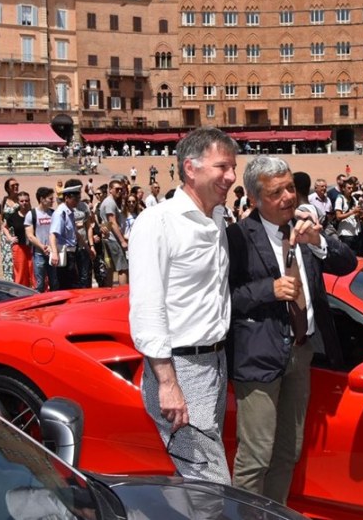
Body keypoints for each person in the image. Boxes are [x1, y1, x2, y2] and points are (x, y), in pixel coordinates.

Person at [226, 156, 356, 504]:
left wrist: (318, 241)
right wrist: (267, 290)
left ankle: (274, 513)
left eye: (291, 188)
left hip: (302, 350)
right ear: (254, 199)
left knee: (289, 451)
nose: (288, 197)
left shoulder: (305, 223)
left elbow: (347, 263)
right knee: (256, 456)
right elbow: (222, 298)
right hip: (259, 356)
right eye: (275, 192)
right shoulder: (237, 237)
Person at [129, 127, 238, 485]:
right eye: (222, 167)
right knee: (213, 485)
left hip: (215, 363)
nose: (232, 176)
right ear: (190, 168)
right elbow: (147, 306)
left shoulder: (217, 219)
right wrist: (167, 383)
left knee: (200, 483)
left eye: (233, 167)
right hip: (181, 368)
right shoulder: (157, 222)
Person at [48, 181, 83, 290]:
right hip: (64, 253)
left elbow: (74, 233)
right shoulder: (60, 213)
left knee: (72, 283)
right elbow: (53, 234)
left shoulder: (69, 212)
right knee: (65, 284)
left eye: (78, 198)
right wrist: (54, 253)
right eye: (75, 199)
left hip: (71, 252)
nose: (77, 201)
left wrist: (87, 247)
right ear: (67, 198)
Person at [24, 187, 57, 292]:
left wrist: (52, 248)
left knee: (55, 282)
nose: (53, 201)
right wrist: (42, 246)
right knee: (39, 283)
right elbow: (30, 235)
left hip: (52, 252)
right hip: (39, 253)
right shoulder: (31, 214)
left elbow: (57, 233)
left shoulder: (54, 213)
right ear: (42, 199)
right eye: (50, 198)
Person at [99, 179, 129, 286]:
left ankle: (110, 293)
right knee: (122, 268)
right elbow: (112, 221)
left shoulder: (110, 202)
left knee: (110, 268)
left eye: (121, 189)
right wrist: (122, 241)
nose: (119, 191)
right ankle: (123, 294)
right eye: (117, 189)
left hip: (109, 239)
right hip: (113, 239)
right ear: (110, 190)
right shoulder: (110, 202)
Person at [4, 191, 34, 287]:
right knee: (20, 274)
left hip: (33, 248)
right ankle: (21, 295)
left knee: (34, 273)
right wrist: (9, 237)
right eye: (22, 201)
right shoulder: (14, 216)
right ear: (18, 202)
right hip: (19, 247)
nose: (24, 203)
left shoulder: (34, 214)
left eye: (26, 200)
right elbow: (4, 227)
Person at [0, 178, 21, 282]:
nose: (16, 187)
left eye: (17, 185)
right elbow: (1, 219)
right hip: (6, 235)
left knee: (19, 260)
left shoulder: (21, 199)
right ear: (7, 188)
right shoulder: (4, 200)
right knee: (8, 260)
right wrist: (7, 235)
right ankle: (10, 282)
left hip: (18, 234)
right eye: (13, 185)